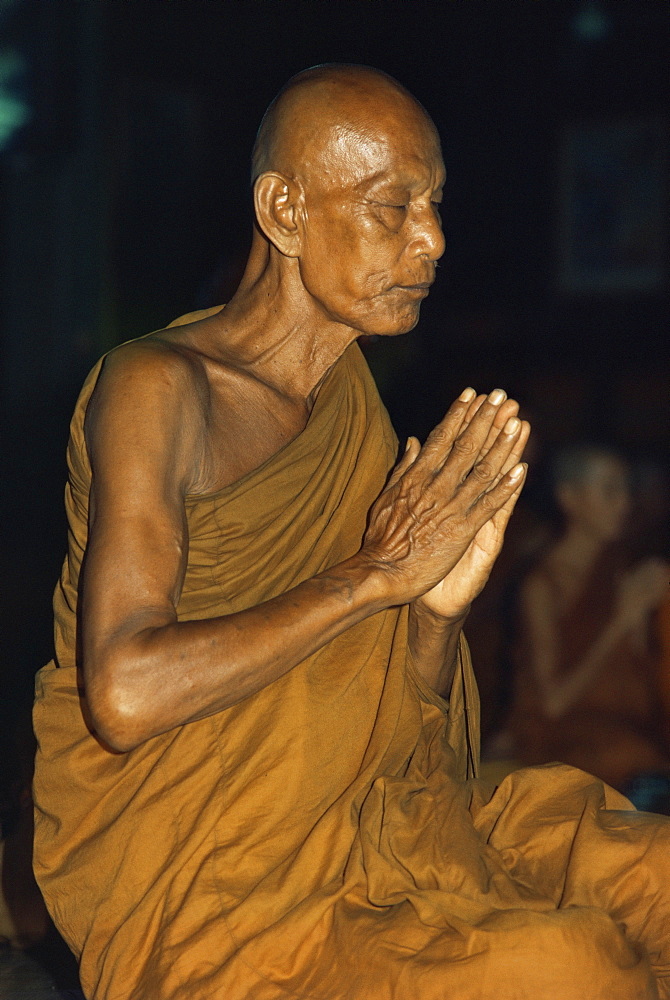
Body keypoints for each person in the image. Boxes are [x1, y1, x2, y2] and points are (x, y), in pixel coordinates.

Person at [33, 66, 670, 1000]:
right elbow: (124, 690)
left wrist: (433, 609)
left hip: (390, 823)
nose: (434, 240)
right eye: (393, 207)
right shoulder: (160, 385)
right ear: (285, 210)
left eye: (437, 204)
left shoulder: (352, 410)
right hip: (226, 887)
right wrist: (374, 575)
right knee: (574, 972)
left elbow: (408, 740)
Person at [511, 444, 670, 793]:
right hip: (568, 736)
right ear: (570, 498)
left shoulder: (621, 566)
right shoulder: (543, 585)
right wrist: (621, 621)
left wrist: (646, 618)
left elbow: (643, 677)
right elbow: (554, 703)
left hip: (628, 727)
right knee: (629, 756)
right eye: (610, 490)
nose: (625, 503)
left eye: (627, 489)